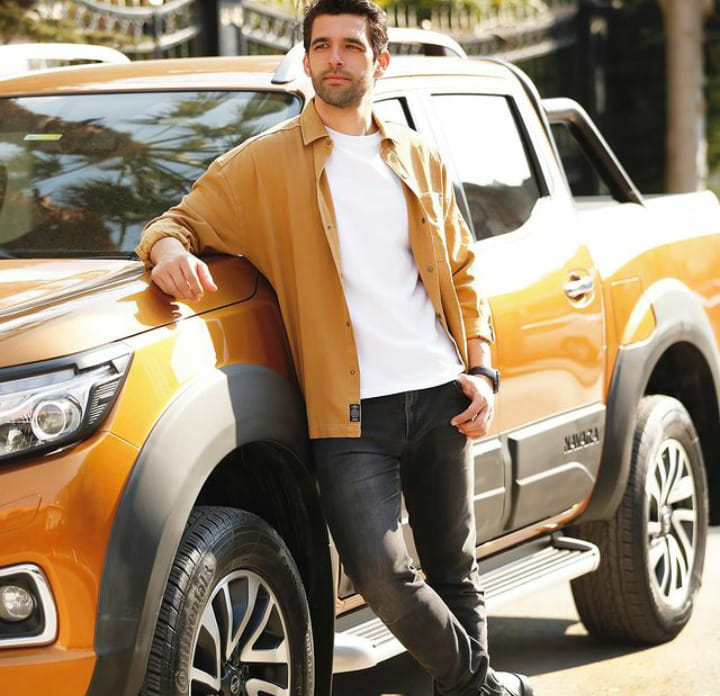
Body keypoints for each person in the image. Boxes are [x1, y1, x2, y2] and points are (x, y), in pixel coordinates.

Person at [135, 1, 533, 694]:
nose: (334, 59)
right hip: (350, 414)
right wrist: (169, 253)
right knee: (381, 575)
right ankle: (487, 685)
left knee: (454, 571)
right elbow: (176, 222)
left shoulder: (417, 156)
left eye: (350, 45)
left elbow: (462, 271)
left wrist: (482, 369)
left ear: (380, 61)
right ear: (308, 59)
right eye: (320, 46)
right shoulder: (266, 163)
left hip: (440, 394)